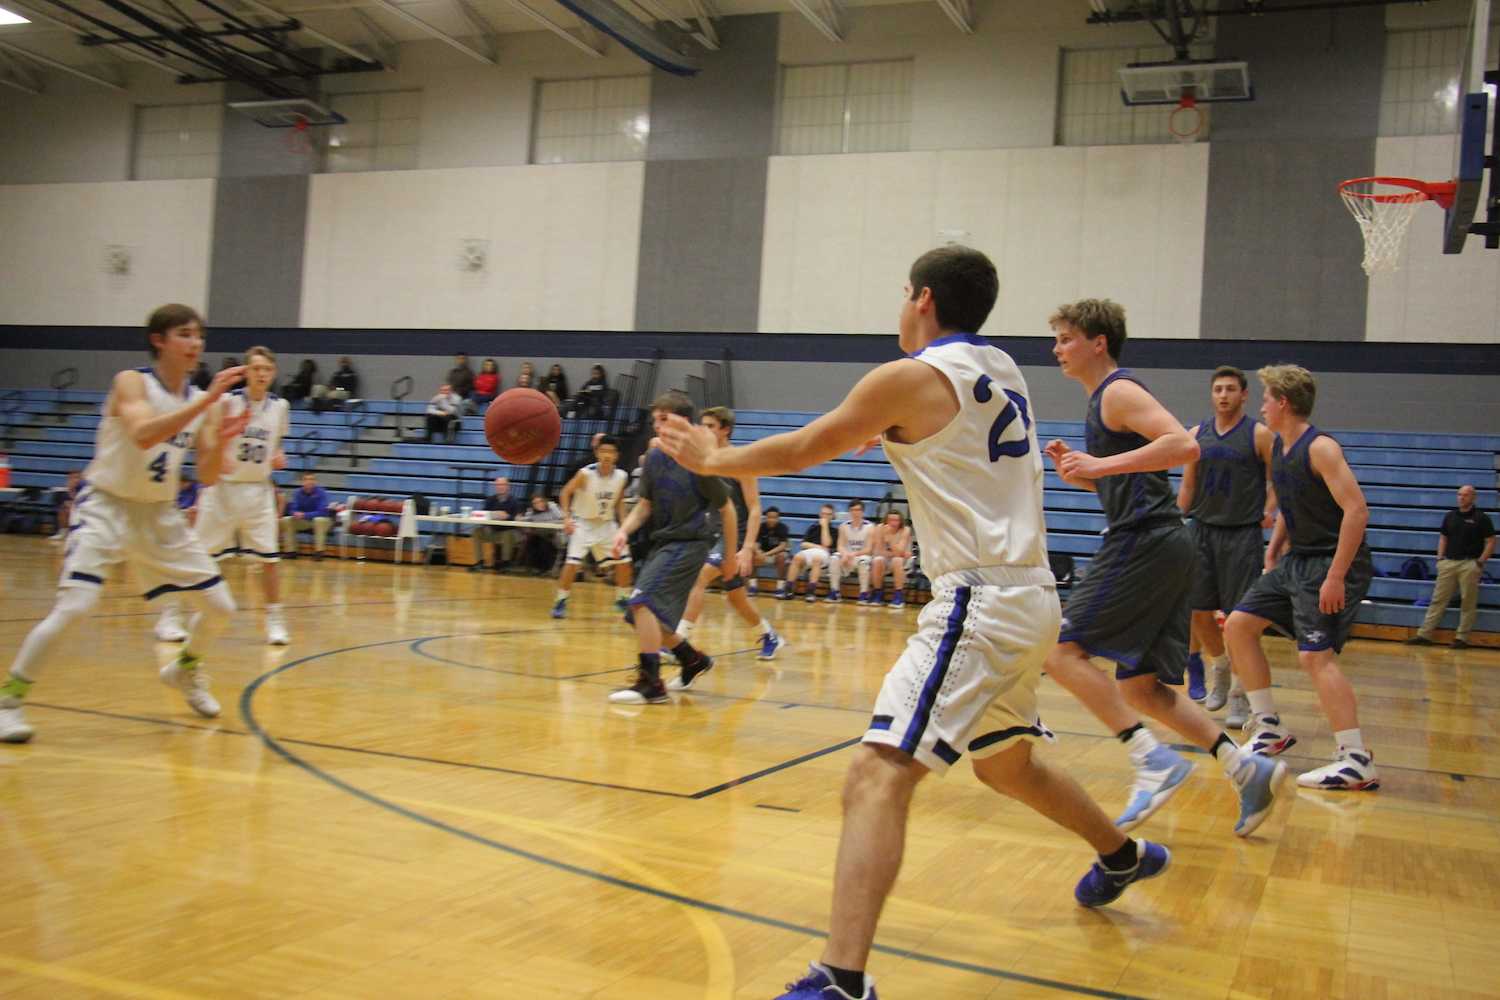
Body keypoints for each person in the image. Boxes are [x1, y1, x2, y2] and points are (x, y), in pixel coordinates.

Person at [661, 247, 1174, 1000]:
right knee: (1007, 765)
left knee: (876, 771)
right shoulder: (1001, 368)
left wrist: (716, 458)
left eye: (904, 294)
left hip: (980, 600)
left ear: (924, 298)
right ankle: (1122, 854)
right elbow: (949, 444)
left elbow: (807, 448)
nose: (900, 308)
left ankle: (841, 980)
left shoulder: (909, 376)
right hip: (1030, 595)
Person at [1043, 298, 1284, 837]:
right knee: (1142, 688)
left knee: (1059, 652)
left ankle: (1150, 759)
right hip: (1167, 542)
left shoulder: (1120, 391)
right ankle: (1247, 769)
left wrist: (1102, 463)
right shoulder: (1101, 401)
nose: (1056, 348)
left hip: (1144, 540)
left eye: (1065, 338)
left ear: (1097, 342)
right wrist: (1083, 474)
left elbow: (1183, 445)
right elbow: (1135, 474)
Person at [1, 304, 247, 744]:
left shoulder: (200, 403)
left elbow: (208, 475)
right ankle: (9, 701)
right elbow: (142, 434)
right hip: (107, 505)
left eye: (199, 336)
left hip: (158, 514)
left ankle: (184, 671)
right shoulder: (131, 381)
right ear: (159, 339)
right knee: (75, 607)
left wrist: (222, 441)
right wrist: (208, 403)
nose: (195, 344)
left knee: (222, 609)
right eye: (185, 335)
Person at [1225, 365, 1381, 791]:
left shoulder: (1321, 448)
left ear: (1284, 403)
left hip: (1331, 564)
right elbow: (1294, 506)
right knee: (1238, 625)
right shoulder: (1280, 445)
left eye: (1265, 398)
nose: (1261, 406)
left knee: (1315, 657)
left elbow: (1357, 511)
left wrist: (1336, 576)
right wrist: (1274, 549)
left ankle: (1356, 758)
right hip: (1296, 560)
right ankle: (1270, 727)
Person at [156, 346, 291, 646]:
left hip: (258, 490)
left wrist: (277, 454)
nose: (261, 374)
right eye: (255, 368)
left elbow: (275, 442)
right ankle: (171, 615)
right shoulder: (227, 402)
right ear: (246, 372)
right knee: (197, 556)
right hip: (222, 489)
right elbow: (205, 439)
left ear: (273, 373)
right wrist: (216, 451)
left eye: (266, 369)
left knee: (270, 560)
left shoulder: (280, 407)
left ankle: (275, 621)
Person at [606, 391, 732, 704]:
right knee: (644, 616)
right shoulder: (655, 459)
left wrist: (729, 556)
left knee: (641, 603)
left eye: (664, 419)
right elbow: (644, 505)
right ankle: (691, 658)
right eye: (654, 421)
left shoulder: (699, 461)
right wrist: (623, 530)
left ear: (683, 422)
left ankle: (652, 683)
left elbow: (727, 509)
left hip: (691, 543)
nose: (657, 426)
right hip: (663, 542)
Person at [1177, 365, 1277, 727]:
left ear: (1244, 395)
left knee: (1238, 620)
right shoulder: (1196, 434)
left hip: (1242, 535)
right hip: (1202, 530)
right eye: (1218, 388)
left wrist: (1269, 509)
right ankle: (1218, 665)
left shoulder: (1259, 434)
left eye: (1230, 389)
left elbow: (1279, 475)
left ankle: (1239, 692)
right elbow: (1188, 486)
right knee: (1197, 610)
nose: (1223, 394)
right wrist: (1176, 522)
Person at [673, 408, 788, 661]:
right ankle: (769, 635)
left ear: (725, 429)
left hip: (735, 535)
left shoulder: (740, 460)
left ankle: (679, 641)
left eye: (711, 426)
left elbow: (756, 507)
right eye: (702, 425)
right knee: (736, 598)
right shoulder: (705, 460)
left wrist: (747, 547)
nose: (704, 430)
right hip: (712, 532)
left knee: (698, 579)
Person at [552, 435, 632, 617]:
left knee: (625, 562)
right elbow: (565, 493)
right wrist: (566, 518)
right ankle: (560, 601)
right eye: (603, 451)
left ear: (616, 455)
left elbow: (619, 501)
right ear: (597, 453)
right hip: (583, 523)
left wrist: (624, 527)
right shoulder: (585, 474)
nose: (607, 455)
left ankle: (622, 599)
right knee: (572, 564)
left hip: (606, 524)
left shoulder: (621, 476)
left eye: (611, 452)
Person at [1406, 484, 1495, 649]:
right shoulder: (1450, 516)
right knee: (1438, 600)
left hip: (1469, 564)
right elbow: (1443, 537)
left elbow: (1491, 541)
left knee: (1468, 602)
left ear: (1473, 497)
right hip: (1448, 563)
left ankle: (1462, 638)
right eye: (1459, 494)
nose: (1462, 498)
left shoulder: (1482, 518)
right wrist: (1440, 558)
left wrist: (1480, 561)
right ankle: (1425, 634)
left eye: (1466, 495)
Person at [777, 502, 838, 602]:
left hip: (826, 555)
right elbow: (803, 544)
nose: (825, 516)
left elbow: (826, 543)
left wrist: (824, 527)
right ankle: (788, 590)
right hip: (811, 550)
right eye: (823, 513)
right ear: (820, 514)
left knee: (816, 559)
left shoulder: (834, 531)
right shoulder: (813, 527)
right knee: (797, 557)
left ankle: (811, 592)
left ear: (833, 516)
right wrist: (818, 546)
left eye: (828, 514)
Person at [471, 476, 526, 572]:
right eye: (498, 485)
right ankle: (479, 562)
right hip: (493, 531)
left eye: (502, 484)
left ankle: (506, 563)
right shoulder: (490, 500)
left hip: (508, 533)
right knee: (477, 531)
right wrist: (492, 514)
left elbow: (518, 519)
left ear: (508, 486)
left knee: (507, 534)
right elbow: (482, 514)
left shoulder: (515, 501)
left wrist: (507, 517)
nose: (500, 487)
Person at [829, 501, 876, 604]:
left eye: (858, 510)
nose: (856, 512)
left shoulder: (870, 527)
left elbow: (869, 549)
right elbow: (840, 545)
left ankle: (864, 594)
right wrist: (845, 555)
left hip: (862, 556)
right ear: (849, 511)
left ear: (863, 512)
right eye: (853, 510)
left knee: (863, 562)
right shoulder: (843, 526)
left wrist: (852, 555)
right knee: (834, 559)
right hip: (847, 555)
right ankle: (834, 591)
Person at [281, 471, 333, 559]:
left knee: (318, 520)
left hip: (323, 521)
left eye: (311, 479)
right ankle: (291, 551)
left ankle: (319, 552)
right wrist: (294, 513)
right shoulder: (297, 493)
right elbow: (292, 509)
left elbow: (322, 512)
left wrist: (305, 515)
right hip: (305, 520)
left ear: (315, 481)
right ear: (302, 482)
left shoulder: (321, 492)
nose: (309, 481)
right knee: (287, 520)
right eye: (306, 479)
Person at [869, 510, 914, 609]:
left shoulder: (905, 530)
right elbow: (877, 551)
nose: (893, 523)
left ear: (900, 521)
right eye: (890, 520)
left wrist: (889, 538)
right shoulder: (879, 528)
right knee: (877, 560)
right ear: (886, 520)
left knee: (896, 560)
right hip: (889, 558)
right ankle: (878, 593)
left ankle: (898, 596)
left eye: (896, 520)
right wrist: (897, 553)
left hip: (904, 562)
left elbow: (899, 552)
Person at [748, 505, 791, 593]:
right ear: (765, 517)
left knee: (781, 557)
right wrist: (758, 552)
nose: (772, 519)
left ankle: (780, 587)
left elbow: (783, 546)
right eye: (769, 517)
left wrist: (767, 554)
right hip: (763, 553)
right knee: (752, 555)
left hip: (776, 554)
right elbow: (755, 543)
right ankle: (752, 586)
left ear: (778, 518)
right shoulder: (760, 527)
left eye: (774, 517)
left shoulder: (783, 528)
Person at [520, 492, 563, 574]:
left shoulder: (552, 506)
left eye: (540, 501)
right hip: (539, 534)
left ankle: (546, 568)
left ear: (544, 501)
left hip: (554, 534)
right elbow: (526, 521)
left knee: (544, 543)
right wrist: (520, 519)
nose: (539, 504)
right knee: (530, 541)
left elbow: (562, 519)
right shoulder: (531, 511)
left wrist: (550, 523)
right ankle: (531, 567)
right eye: (535, 503)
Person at [49, 469, 83, 540]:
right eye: (72, 478)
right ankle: (63, 533)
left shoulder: (85, 489)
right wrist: (70, 489)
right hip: (72, 512)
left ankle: (76, 533)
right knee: (63, 510)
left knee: (70, 509)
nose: (75, 480)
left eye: (77, 477)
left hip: (84, 512)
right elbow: (65, 502)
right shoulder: (64, 491)